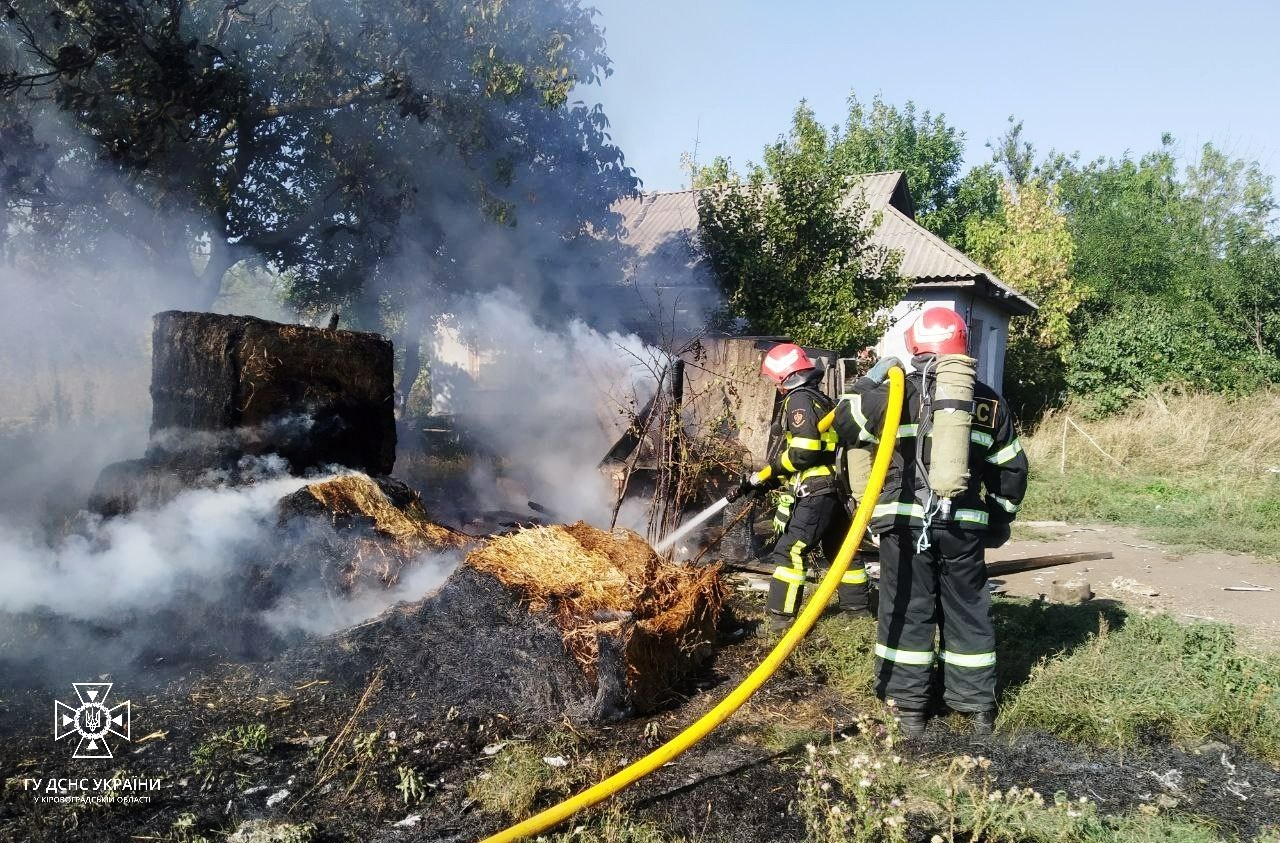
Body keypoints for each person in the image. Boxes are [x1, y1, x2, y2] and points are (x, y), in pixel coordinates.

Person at [832, 308, 1028, 738]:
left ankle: (909, 711)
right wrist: (997, 520)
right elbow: (1011, 470)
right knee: (968, 612)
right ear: (962, 347)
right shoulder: (989, 402)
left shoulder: (891, 395)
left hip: (904, 526)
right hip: (962, 529)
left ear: (916, 348)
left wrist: (871, 377)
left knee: (908, 610)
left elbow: (844, 423)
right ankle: (976, 709)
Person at [728, 342, 869, 632]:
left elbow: (803, 453)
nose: (776, 387)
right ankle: (857, 612)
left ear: (784, 378)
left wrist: (772, 471)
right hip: (833, 489)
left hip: (817, 491)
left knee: (790, 550)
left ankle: (780, 621)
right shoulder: (820, 399)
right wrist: (767, 483)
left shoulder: (799, 401)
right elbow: (809, 455)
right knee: (842, 548)